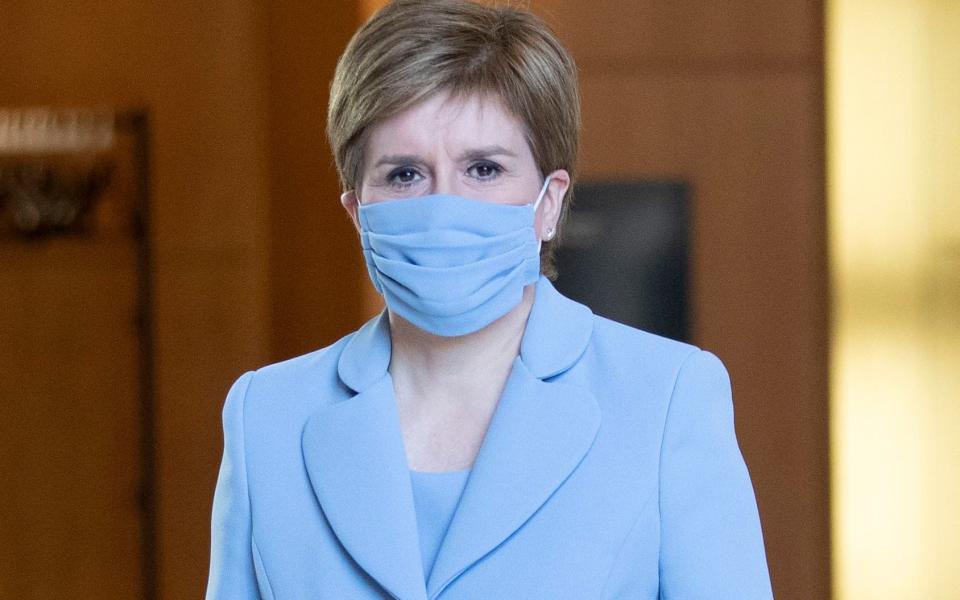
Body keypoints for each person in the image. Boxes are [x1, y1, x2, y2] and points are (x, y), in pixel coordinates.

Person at [206, 1, 773, 598]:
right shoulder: (264, 416)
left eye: (482, 168)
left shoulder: (667, 401)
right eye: (404, 174)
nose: (444, 204)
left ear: (549, 202)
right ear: (356, 210)